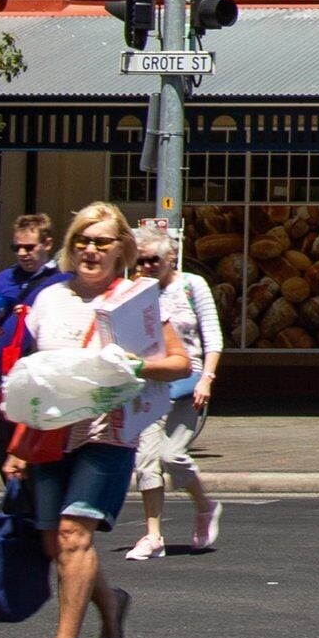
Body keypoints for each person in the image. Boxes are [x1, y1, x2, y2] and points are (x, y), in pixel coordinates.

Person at [0, 201, 194, 638]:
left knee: (72, 534)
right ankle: (111, 604)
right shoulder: (49, 299)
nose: (91, 249)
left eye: (103, 241)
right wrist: (18, 442)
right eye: (83, 239)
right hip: (50, 432)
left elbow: (179, 364)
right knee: (54, 543)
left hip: (109, 431)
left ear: (122, 249)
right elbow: (32, 376)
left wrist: (131, 367)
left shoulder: (137, 300)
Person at [122, 224, 222, 560]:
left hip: (187, 380)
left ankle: (204, 506)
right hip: (150, 382)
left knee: (172, 455)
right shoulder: (135, 291)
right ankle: (153, 536)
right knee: (146, 460)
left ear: (171, 258)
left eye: (152, 260)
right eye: (140, 261)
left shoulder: (193, 286)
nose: (146, 266)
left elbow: (212, 336)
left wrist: (207, 378)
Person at [0, 213, 62, 463]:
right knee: (3, 449)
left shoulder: (61, 281)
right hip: (5, 373)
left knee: (32, 450)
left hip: (39, 376)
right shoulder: (5, 278)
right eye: (16, 247)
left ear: (47, 244)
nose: (22, 253)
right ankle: (15, 498)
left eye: (29, 247)